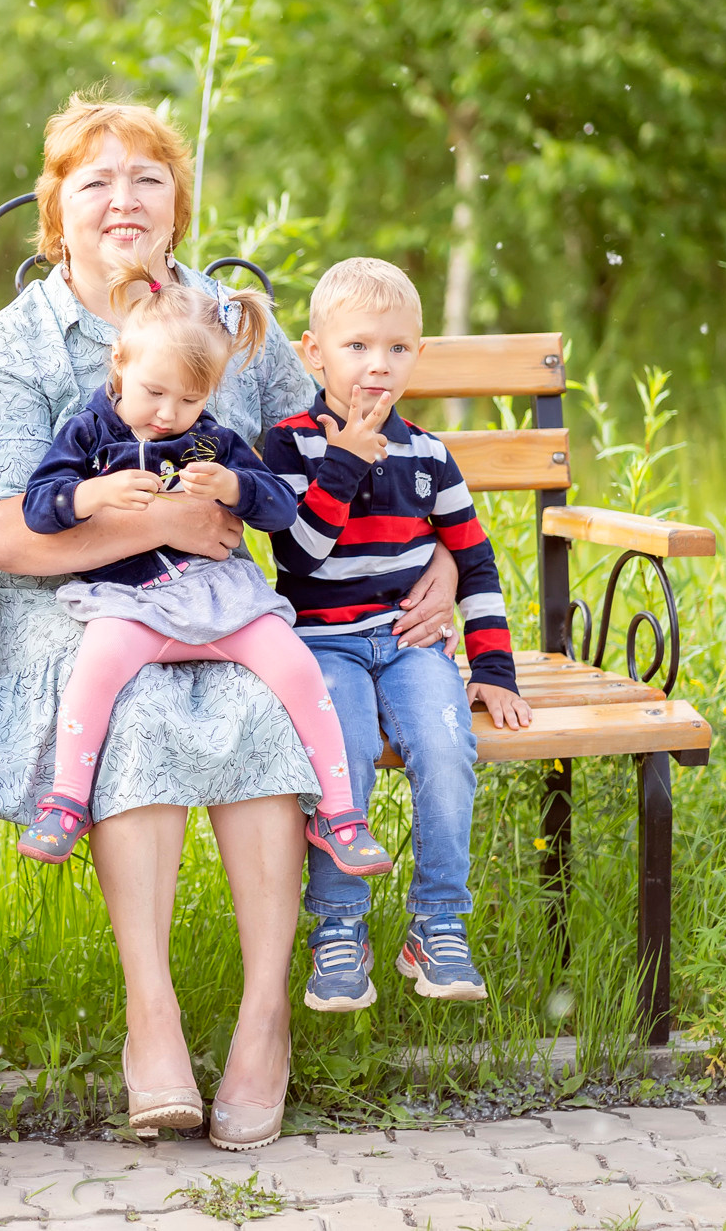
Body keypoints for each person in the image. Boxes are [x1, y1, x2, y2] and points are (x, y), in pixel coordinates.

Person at [0, 96, 463, 1150]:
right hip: (56, 608)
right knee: (132, 703)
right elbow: (1, 535)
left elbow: (335, 428)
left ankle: (264, 1020)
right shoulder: (16, 344)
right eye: (93, 182)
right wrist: (174, 521)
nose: (122, 200)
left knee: (266, 692)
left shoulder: (224, 319)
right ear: (57, 212)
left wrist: (449, 563)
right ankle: (153, 1023)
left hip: (217, 606)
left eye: (145, 177)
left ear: (175, 204)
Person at [15, 262, 392, 880]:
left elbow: (277, 509)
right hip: (130, 597)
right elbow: (38, 507)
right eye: (154, 392)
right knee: (97, 664)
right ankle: (65, 799)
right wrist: (93, 497)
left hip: (214, 593)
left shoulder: (210, 440)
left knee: (293, 663)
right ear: (119, 363)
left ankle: (339, 812)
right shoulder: (88, 434)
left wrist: (235, 485)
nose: (168, 413)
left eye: (190, 399)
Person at [264, 256, 533, 1013]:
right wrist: (346, 460)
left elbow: (475, 564)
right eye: (356, 347)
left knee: (447, 747)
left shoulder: (429, 457)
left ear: (418, 355)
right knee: (342, 754)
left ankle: (439, 922)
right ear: (314, 352)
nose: (376, 365)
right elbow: (298, 555)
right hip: (323, 644)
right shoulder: (292, 446)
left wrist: (494, 669)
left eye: (396, 348)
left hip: (412, 645)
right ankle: (340, 928)